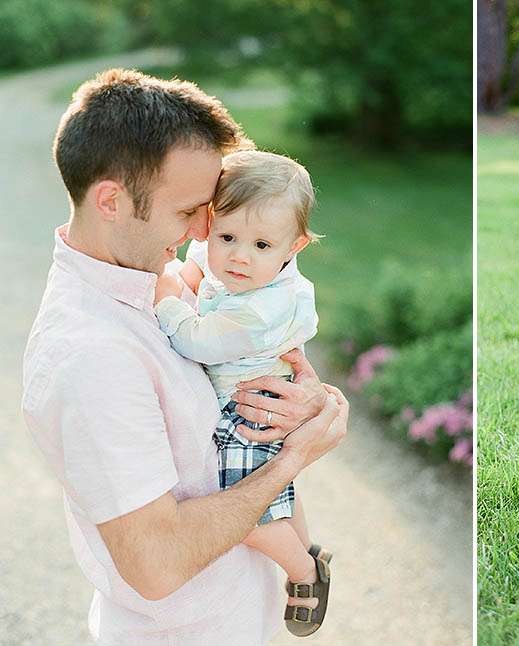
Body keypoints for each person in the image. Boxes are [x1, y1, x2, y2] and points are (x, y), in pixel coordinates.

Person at [21, 69, 347, 645]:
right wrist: (293, 459)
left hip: (239, 618)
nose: (207, 229)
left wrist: (304, 396)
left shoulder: (150, 269)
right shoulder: (92, 355)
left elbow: (247, 348)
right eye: (188, 211)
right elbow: (157, 563)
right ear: (111, 201)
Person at [154, 149, 331, 636]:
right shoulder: (234, 263)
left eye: (260, 245)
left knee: (245, 506)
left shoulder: (262, 309)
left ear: (294, 246)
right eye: (227, 236)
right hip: (257, 394)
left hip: (249, 407)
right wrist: (184, 277)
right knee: (277, 484)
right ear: (210, 225)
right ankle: (308, 547)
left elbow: (197, 339)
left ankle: (303, 573)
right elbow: (199, 273)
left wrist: (166, 301)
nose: (238, 256)